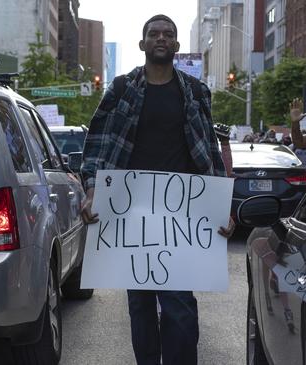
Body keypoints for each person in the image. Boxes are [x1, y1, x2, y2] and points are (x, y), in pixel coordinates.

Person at [80, 14, 234, 365]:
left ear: (177, 46)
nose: (161, 38)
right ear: (143, 43)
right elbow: (97, 146)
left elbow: (209, 151)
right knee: (141, 307)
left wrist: (221, 205)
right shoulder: (121, 89)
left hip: (181, 216)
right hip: (130, 215)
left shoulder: (195, 92)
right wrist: (92, 190)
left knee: (180, 308)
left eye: (168, 34)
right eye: (154, 33)